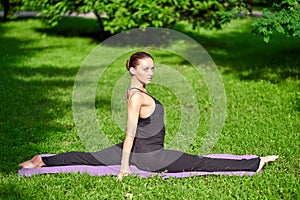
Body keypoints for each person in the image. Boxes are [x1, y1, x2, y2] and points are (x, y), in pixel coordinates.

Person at [19, 52, 278, 180]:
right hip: (150, 158)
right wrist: (123, 168)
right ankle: (254, 162)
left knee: (90, 157)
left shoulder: (134, 90)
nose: (151, 73)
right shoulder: (136, 96)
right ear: (133, 69)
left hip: (138, 151)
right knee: (202, 162)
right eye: (145, 69)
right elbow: (130, 132)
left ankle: (42, 160)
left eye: (153, 68)